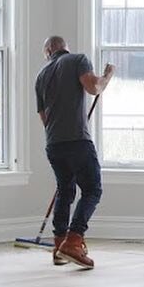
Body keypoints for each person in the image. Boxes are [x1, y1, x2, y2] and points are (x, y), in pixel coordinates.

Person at [34, 36, 114, 269]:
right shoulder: (77, 59)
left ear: (49, 51)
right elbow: (94, 87)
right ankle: (74, 241)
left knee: (65, 190)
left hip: (54, 144)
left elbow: (44, 119)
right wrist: (108, 75)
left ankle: (59, 246)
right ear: (64, 47)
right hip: (77, 140)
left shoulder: (40, 76)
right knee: (92, 189)